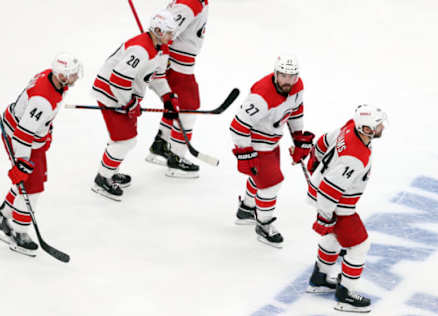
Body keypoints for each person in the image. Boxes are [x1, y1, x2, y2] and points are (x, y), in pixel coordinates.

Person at [0, 53, 82, 256]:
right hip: (21, 139)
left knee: (29, 184)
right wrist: (22, 162)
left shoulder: (51, 77)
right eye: (72, 74)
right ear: (61, 76)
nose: (75, 78)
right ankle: (19, 233)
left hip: (29, 136)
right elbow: (23, 133)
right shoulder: (42, 100)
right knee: (31, 188)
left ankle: (1, 216)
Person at [304, 104, 388, 313]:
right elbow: (329, 191)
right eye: (378, 125)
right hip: (336, 203)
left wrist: (313, 158)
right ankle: (346, 294)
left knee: (334, 236)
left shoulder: (351, 126)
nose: (382, 127)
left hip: (321, 189)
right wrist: (326, 216)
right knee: (359, 244)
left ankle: (320, 277)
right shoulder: (355, 157)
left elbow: (324, 140)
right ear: (366, 129)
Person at [91, 10, 179, 201]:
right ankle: (102, 178)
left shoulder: (162, 48)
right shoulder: (141, 50)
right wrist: (129, 103)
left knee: (124, 140)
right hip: (110, 94)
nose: (173, 36)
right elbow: (117, 80)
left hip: (123, 96)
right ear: (157, 30)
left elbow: (157, 77)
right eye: (170, 32)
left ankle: (109, 170)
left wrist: (167, 96)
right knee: (125, 140)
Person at [229, 55, 315, 248]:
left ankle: (247, 209)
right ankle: (264, 224)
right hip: (256, 141)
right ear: (276, 74)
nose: (288, 81)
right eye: (283, 75)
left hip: (272, 140)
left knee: (260, 177)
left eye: (292, 76)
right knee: (271, 184)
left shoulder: (297, 86)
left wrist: (298, 137)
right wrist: (245, 153)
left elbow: (295, 109)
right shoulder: (261, 96)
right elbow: (238, 127)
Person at [145, 0, 209, 178]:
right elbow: (166, 33)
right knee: (188, 109)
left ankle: (161, 145)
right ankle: (176, 159)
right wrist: (159, 60)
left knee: (174, 105)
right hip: (178, 65)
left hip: (176, 61)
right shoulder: (190, 3)